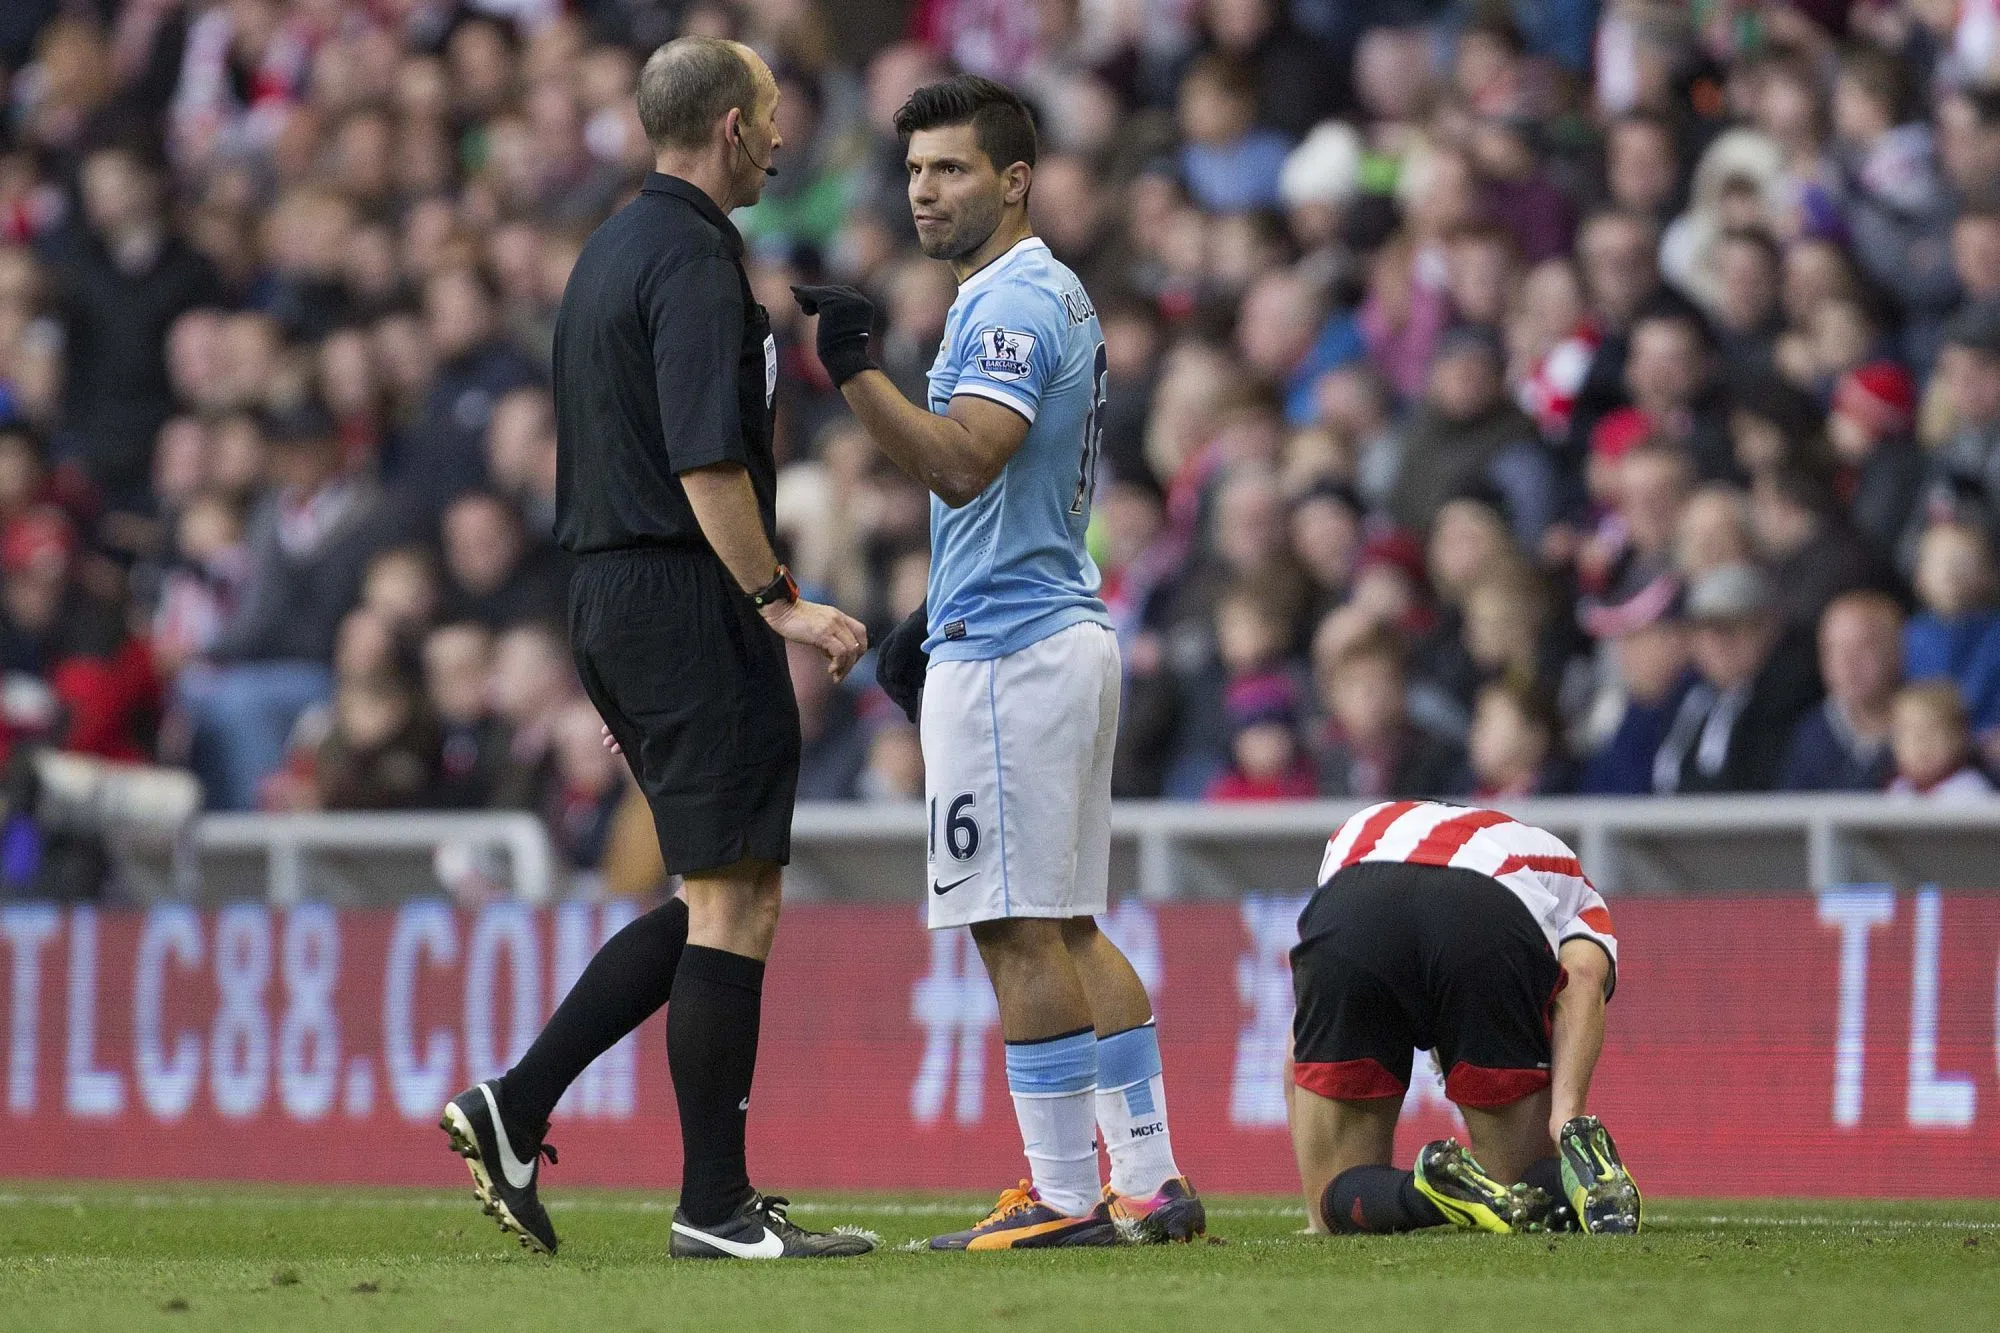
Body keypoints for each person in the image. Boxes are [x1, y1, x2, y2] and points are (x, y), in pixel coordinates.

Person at [440, 37, 875, 1263]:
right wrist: (776, 598)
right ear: (732, 127)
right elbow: (703, 458)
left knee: (715, 890)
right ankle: (714, 1206)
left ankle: (517, 1105)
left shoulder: (605, 250)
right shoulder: (692, 259)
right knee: (736, 895)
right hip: (682, 592)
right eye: (775, 114)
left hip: (611, 593)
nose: (785, 138)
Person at [792, 75, 1206, 1250]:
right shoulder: (1038, 293)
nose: (924, 191)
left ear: (1014, 180)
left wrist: (855, 372)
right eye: (915, 170)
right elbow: (1005, 496)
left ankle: (1064, 1192)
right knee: (1068, 921)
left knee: (1011, 925)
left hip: (1015, 653)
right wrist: (936, 605)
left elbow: (968, 461)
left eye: (952, 169)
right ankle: (1149, 1178)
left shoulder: (1011, 303)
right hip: (1045, 626)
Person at [1288, 800, 1639, 1237]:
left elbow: (1306, 1029)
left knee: (1332, 1205)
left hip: (1355, 903)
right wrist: (1567, 1119)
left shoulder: (1359, 830)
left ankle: (1426, 1192)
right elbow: (1583, 979)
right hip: (1484, 913)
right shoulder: (1567, 874)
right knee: (1517, 1193)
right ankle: (1592, 1177)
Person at [1781, 591, 1902, 792]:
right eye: (1834, 649)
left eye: (1863, 647)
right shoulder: (1812, 733)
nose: (1847, 663)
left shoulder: (1930, 727)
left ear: (1896, 651)